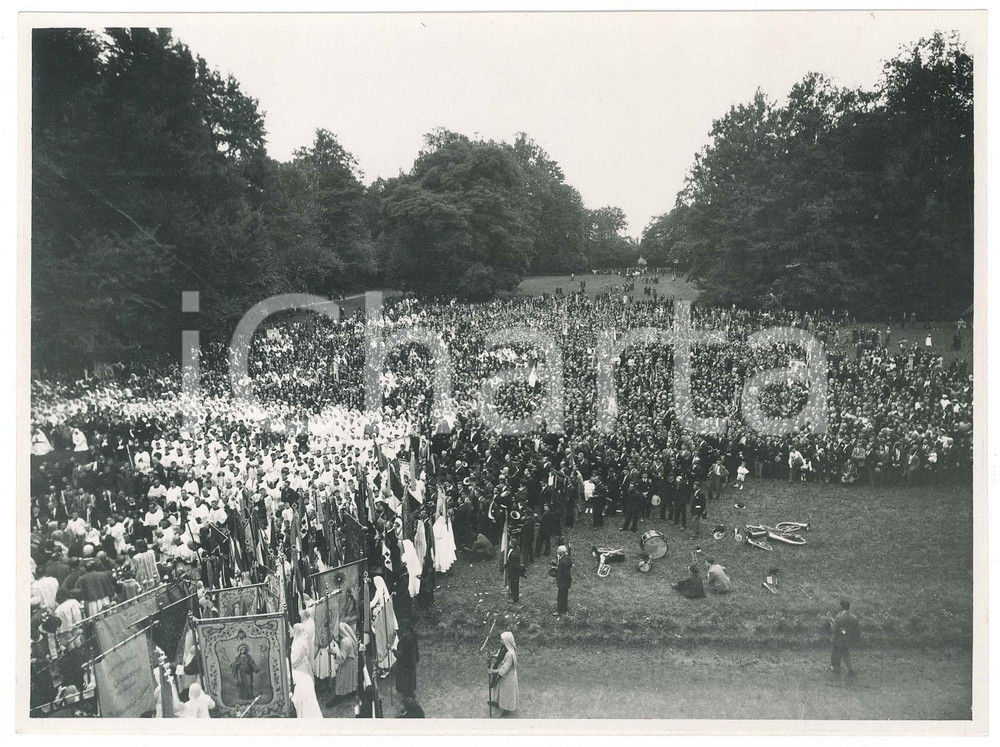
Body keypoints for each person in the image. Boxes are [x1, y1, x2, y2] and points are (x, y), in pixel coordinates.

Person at [487, 631, 518, 717]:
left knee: (506, 693)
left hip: (508, 677)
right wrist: (493, 655)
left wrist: (493, 671)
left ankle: (507, 708)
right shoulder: (504, 648)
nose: (500, 641)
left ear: (506, 641)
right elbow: (500, 656)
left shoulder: (510, 654)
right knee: (499, 689)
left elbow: (505, 669)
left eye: (502, 640)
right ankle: (497, 702)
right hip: (502, 674)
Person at [829, 598, 861, 676]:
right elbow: (858, 630)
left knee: (836, 653)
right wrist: (855, 639)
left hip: (839, 639)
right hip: (849, 640)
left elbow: (834, 629)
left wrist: (832, 623)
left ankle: (836, 669)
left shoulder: (839, 617)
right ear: (849, 607)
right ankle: (851, 669)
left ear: (841, 607)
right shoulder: (854, 617)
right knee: (846, 653)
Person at [333, 623, 358, 701]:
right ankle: (351, 692)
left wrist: (334, 653)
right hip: (352, 662)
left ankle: (339, 696)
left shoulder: (345, 641)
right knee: (351, 680)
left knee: (342, 680)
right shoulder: (351, 638)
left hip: (347, 663)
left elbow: (342, 657)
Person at [395, 626, 419, 698]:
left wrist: (392, 649)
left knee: (405, 679)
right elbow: (416, 650)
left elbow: (400, 655)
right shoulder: (413, 636)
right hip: (411, 662)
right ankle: (411, 693)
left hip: (404, 664)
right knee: (411, 677)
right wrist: (416, 659)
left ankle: (406, 696)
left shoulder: (404, 639)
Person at [553, 544, 572, 618]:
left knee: (561, 595)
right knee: (564, 595)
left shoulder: (563, 561)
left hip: (563, 581)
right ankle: (564, 608)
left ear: (562, 552)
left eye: (558, 550)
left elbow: (566, 573)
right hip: (564, 581)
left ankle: (559, 610)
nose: (557, 551)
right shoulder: (565, 557)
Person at [505, 539, 525, 603]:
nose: (509, 543)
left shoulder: (514, 555)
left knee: (514, 585)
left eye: (510, 542)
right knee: (513, 584)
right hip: (513, 571)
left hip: (514, 572)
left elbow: (514, 565)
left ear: (512, 545)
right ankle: (513, 595)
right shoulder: (516, 549)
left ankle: (515, 598)